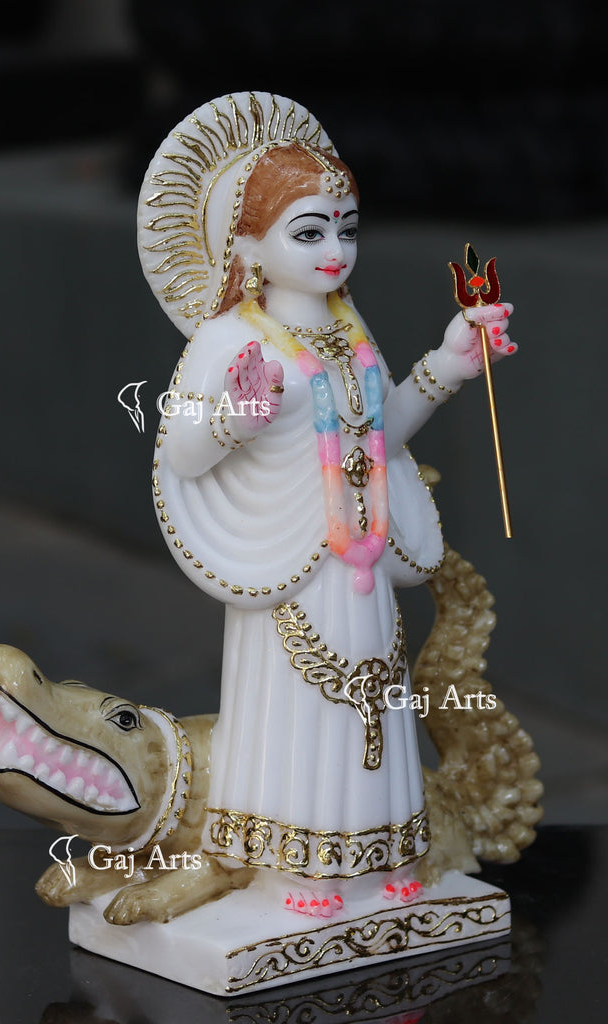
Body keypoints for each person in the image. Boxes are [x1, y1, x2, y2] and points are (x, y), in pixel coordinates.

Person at [136, 93, 515, 919]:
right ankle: (299, 866)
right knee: (301, 714)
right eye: (309, 233)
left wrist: (447, 365)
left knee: (374, 706)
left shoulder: (349, 331)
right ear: (247, 246)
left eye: (347, 228)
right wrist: (237, 418)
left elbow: (381, 436)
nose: (336, 250)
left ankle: (381, 856)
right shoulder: (229, 340)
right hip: (289, 562)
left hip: (361, 561)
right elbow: (184, 452)